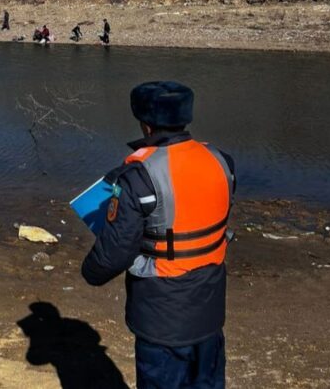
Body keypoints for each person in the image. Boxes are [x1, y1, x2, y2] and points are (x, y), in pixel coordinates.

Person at [81, 81, 235, 389]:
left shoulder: (138, 177)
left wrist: (90, 272)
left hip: (162, 318)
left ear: (145, 123)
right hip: (209, 308)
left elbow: (113, 255)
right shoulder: (221, 161)